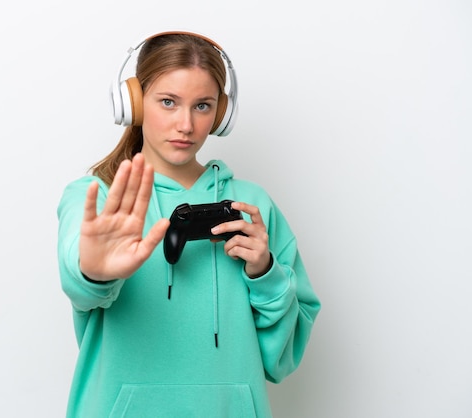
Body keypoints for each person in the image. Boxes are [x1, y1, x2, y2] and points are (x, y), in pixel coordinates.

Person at [56, 31, 321, 418]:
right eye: (168, 102)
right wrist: (93, 274)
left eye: (202, 106)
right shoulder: (96, 196)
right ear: (135, 104)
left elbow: (281, 360)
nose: (185, 124)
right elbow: (80, 285)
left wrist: (266, 274)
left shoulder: (253, 206)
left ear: (220, 114)